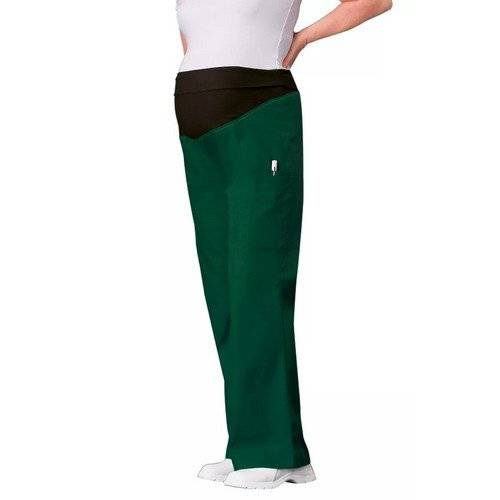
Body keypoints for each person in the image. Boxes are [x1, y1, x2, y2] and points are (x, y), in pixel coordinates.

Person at [174, 0, 392, 489]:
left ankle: (269, 448)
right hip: (198, 120)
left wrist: (306, 36)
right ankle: (255, 443)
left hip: (258, 113)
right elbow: (196, 38)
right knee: (223, 291)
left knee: (256, 282)